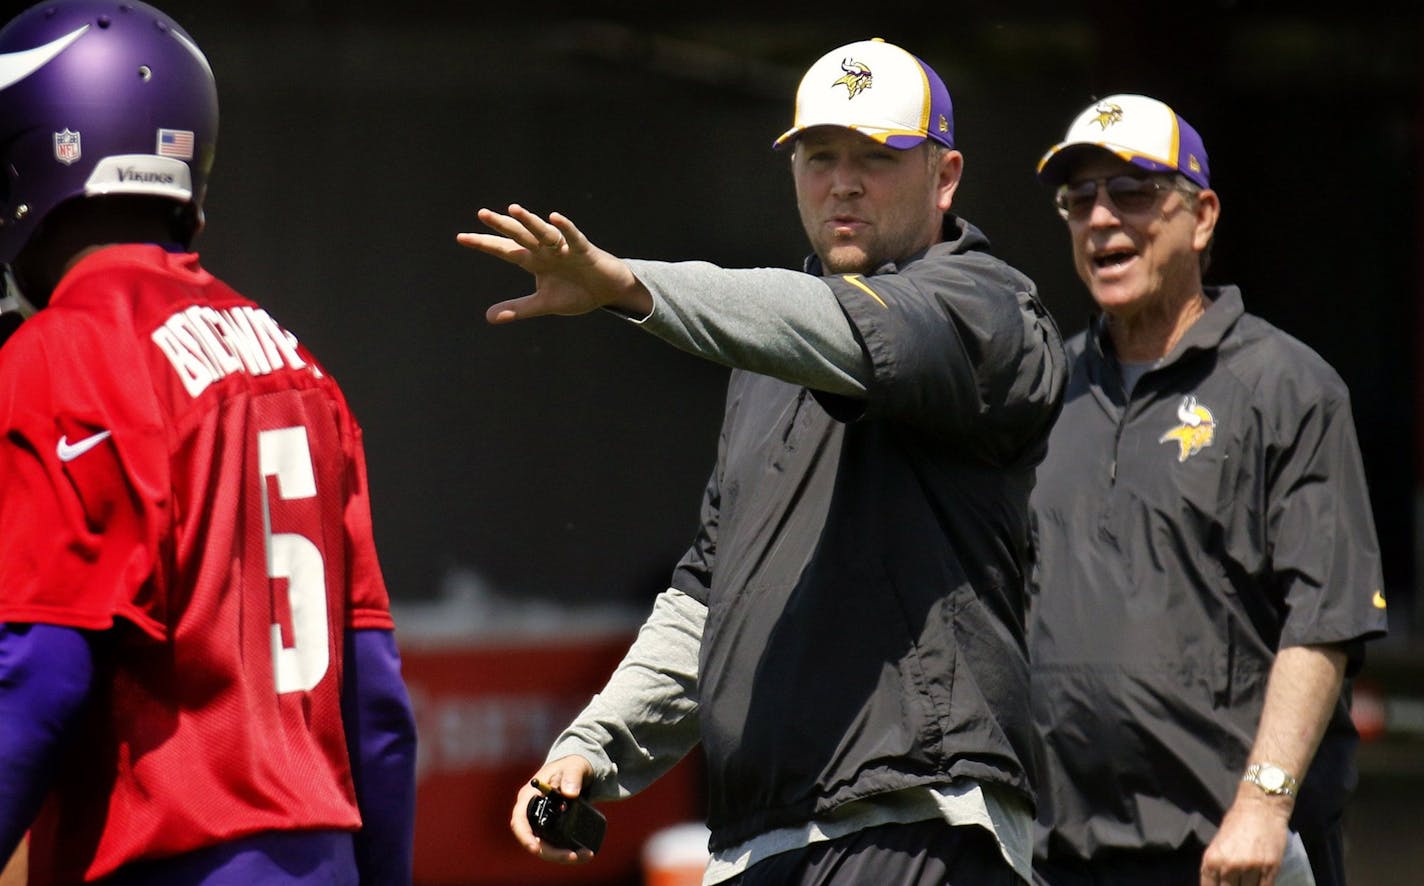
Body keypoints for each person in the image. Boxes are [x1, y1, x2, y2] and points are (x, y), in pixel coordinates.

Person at [458, 37, 1065, 885]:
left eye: (876, 157)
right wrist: (598, 743)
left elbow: (828, 323)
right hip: (761, 838)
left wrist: (629, 285)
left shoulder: (986, 303)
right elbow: (710, 590)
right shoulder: (764, 364)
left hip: (915, 819)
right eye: (820, 156)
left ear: (946, 174)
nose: (842, 181)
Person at [0, 2, 417, 883]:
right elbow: (374, 700)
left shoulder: (58, 356)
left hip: (167, 861)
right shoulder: (304, 369)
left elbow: (38, 672)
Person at [1026, 93, 1389, 886]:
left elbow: (1324, 620)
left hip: (1231, 854)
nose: (1101, 219)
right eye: (1079, 197)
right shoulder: (1040, 389)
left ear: (1202, 216)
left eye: (1132, 192)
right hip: (1057, 855)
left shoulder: (1287, 387)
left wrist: (1264, 802)